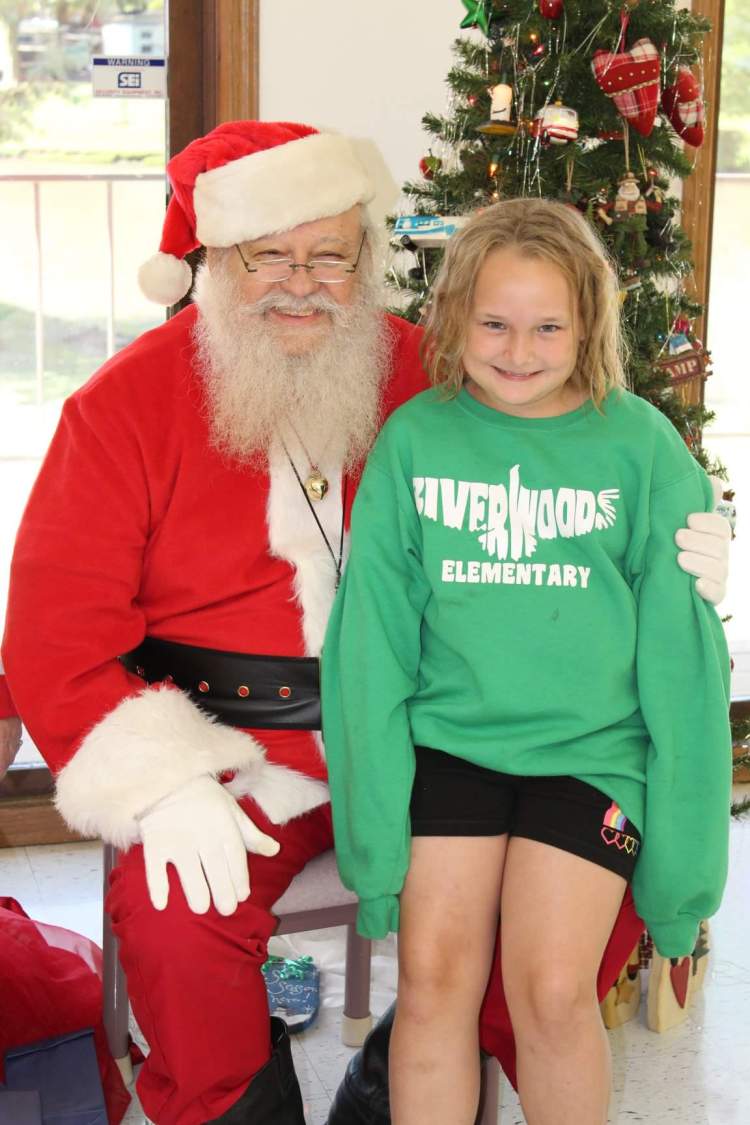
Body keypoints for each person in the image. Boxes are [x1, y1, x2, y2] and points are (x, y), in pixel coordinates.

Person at [0, 121, 729, 1125]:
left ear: (366, 259)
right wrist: (160, 781)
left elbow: (580, 460)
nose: (301, 284)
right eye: (269, 255)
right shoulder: (122, 405)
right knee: (178, 924)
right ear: (214, 258)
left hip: (424, 731)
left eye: (330, 255)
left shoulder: (442, 369)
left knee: (560, 933)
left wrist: (686, 543)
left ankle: (400, 1080)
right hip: (230, 749)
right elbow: (54, 633)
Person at [321, 197, 732, 1125]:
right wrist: (373, 848)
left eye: (548, 326)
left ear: (588, 324)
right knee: (433, 979)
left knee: (551, 989)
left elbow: (683, 669)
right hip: (451, 744)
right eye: (494, 323)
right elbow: (371, 646)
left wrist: (683, 882)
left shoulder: (642, 446)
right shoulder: (414, 440)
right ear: (452, 316)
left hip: (594, 755)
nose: (518, 350)